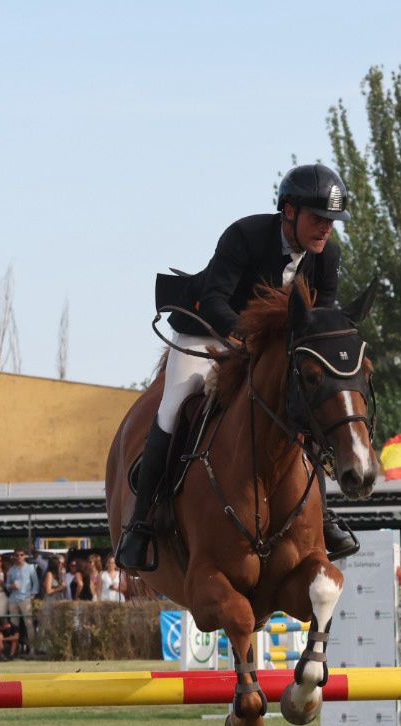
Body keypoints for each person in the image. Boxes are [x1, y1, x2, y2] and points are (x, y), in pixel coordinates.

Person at [117, 162, 358, 571]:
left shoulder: (327, 256)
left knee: (308, 405)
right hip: (208, 330)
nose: (326, 229)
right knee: (174, 404)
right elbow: (214, 300)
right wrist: (248, 342)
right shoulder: (245, 235)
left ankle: (323, 514)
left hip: (270, 349)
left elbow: (321, 319)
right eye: (318, 218)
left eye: (332, 221)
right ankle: (141, 523)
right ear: (289, 211)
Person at [5, 550, 37, 655]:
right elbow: (7, 585)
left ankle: (32, 648)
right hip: (13, 599)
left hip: (25, 599)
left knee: (29, 624)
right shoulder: (11, 570)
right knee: (14, 625)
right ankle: (15, 649)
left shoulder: (30, 568)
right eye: (17, 555)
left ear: (25, 556)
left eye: (21, 555)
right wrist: (11, 587)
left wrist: (32, 596)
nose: (19, 556)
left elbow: (35, 583)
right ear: (14, 557)